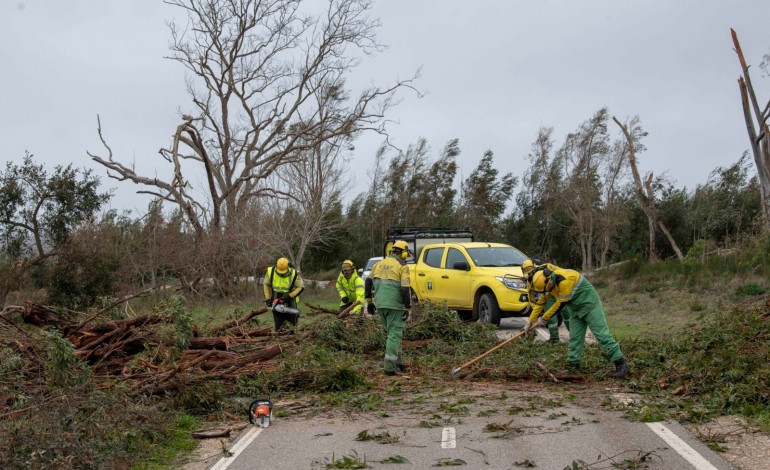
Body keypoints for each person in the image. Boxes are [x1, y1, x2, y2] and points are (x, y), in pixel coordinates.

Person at [526, 265, 629, 378]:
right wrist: (531, 321)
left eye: (547, 288)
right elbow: (541, 301)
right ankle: (573, 365)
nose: (547, 291)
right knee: (575, 337)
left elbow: (559, 304)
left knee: (601, 335)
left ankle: (620, 363)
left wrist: (544, 318)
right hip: (576, 308)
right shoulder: (548, 282)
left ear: (549, 280)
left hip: (589, 304)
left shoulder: (565, 280)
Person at [365, 240, 411, 376]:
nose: (406, 257)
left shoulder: (378, 264)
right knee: (394, 335)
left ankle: (398, 363)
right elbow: (404, 289)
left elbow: (368, 283)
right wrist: (407, 307)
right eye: (406, 254)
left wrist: (369, 302)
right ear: (402, 253)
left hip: (380, 304)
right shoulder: (402, 267)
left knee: (393, 334)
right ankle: (389, 368)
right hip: (395, 305)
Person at [522, 261, 562, 343]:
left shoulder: (547, 267)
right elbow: (532, 298)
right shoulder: (530, 282)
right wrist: (532, 319)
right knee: (550, 315)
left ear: (534, 267)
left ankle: (574, 338)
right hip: (548, 295)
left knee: (567, 314)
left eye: (531, 272)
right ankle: (554, 338)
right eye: (528, 273)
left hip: (560, 290)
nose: (530, 275)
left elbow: (561, 272)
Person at [263, 257, 305, 331]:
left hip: (290, 299)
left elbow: (301, 287)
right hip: (276, 299)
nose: (281, 273)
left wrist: (289, 296)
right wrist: (267, 299)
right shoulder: (270, 271)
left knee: (292, 325)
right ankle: (279, 337)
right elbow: (266, 285)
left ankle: (292, 337)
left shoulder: (294, 273)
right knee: (278, 326)